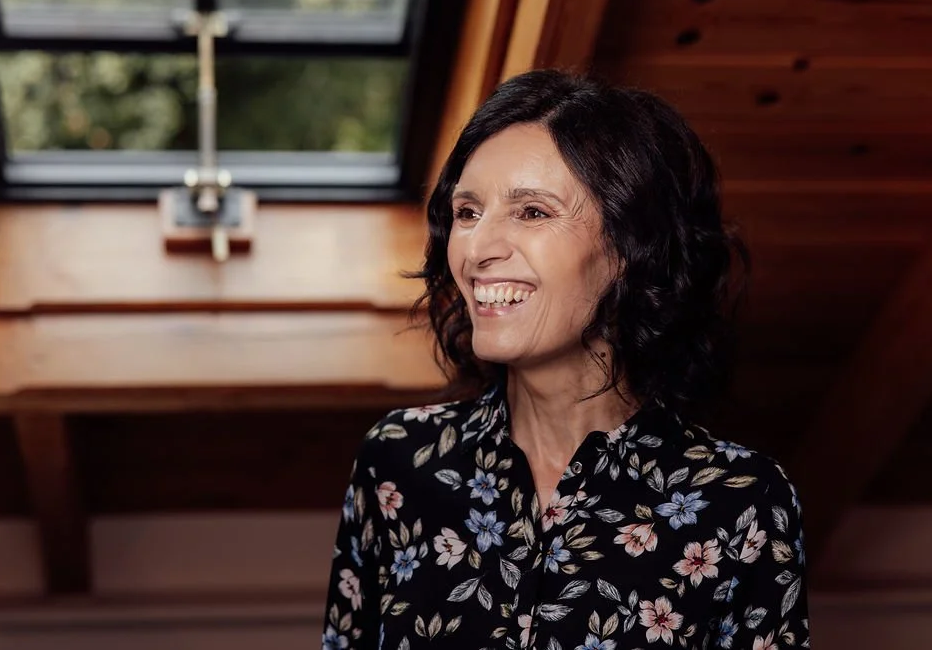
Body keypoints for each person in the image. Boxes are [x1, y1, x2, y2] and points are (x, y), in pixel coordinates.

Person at [322, 70, 810, 650]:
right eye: (468, 212)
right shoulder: (401, 463)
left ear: (630, 246)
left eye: (532, 212)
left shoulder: (740, 503)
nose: (478, 249)